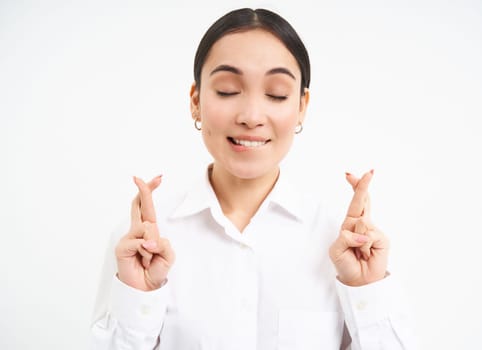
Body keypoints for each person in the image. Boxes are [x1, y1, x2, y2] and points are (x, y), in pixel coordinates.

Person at [90, 7, 415, 349]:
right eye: (228, 90)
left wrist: (366, 290)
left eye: (276, 94)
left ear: (301, 106)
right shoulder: (141, 245)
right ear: (196, 101)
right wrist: (138, 298)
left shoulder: (343, 246)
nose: (251, 116)